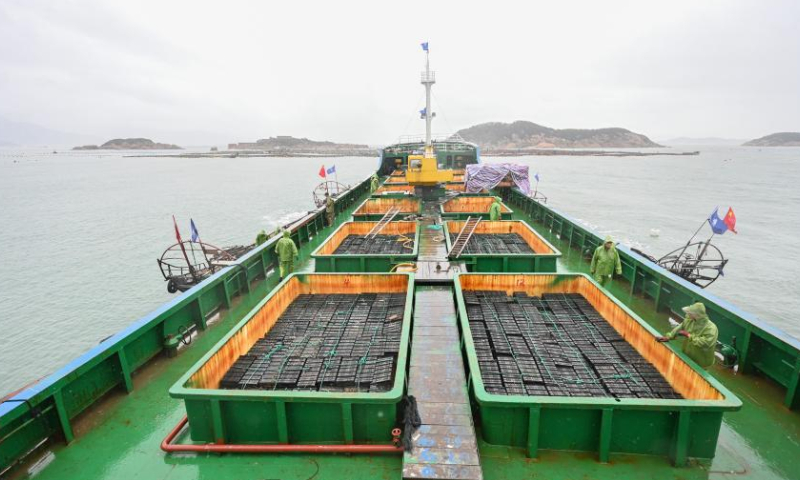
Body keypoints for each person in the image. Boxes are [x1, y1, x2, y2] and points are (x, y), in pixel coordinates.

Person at [658, 302, 718, 368]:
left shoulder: (711, 328)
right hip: (688, 355)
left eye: (690, 313)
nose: (687, 314)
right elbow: (679, 328)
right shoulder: (689, 320)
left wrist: (688, 335)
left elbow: (706, 343)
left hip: (702, 361)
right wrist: (668, 337)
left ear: (696, 315)